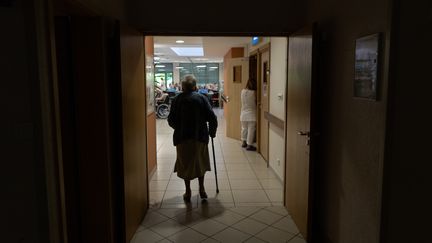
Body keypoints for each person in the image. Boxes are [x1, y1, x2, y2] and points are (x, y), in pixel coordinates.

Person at [168, 75, 218, 202]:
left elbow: (171, 120)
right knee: (200, 162)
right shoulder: (202, 98)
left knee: (185, 163)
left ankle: (187, 191)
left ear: (183, 87)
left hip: (182, 137)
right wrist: (212, 132)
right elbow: (212, 117)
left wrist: (178, 128)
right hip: (199, 136)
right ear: (195, 86)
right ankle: (202, 189)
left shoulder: (177, 99)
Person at [240, 78, 257, 151]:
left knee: (244, 128)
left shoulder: (243, 91)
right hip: (251, 115)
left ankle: (244, 142)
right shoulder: (254, 92)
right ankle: (249, 145)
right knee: (251, 129)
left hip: (243, 114)